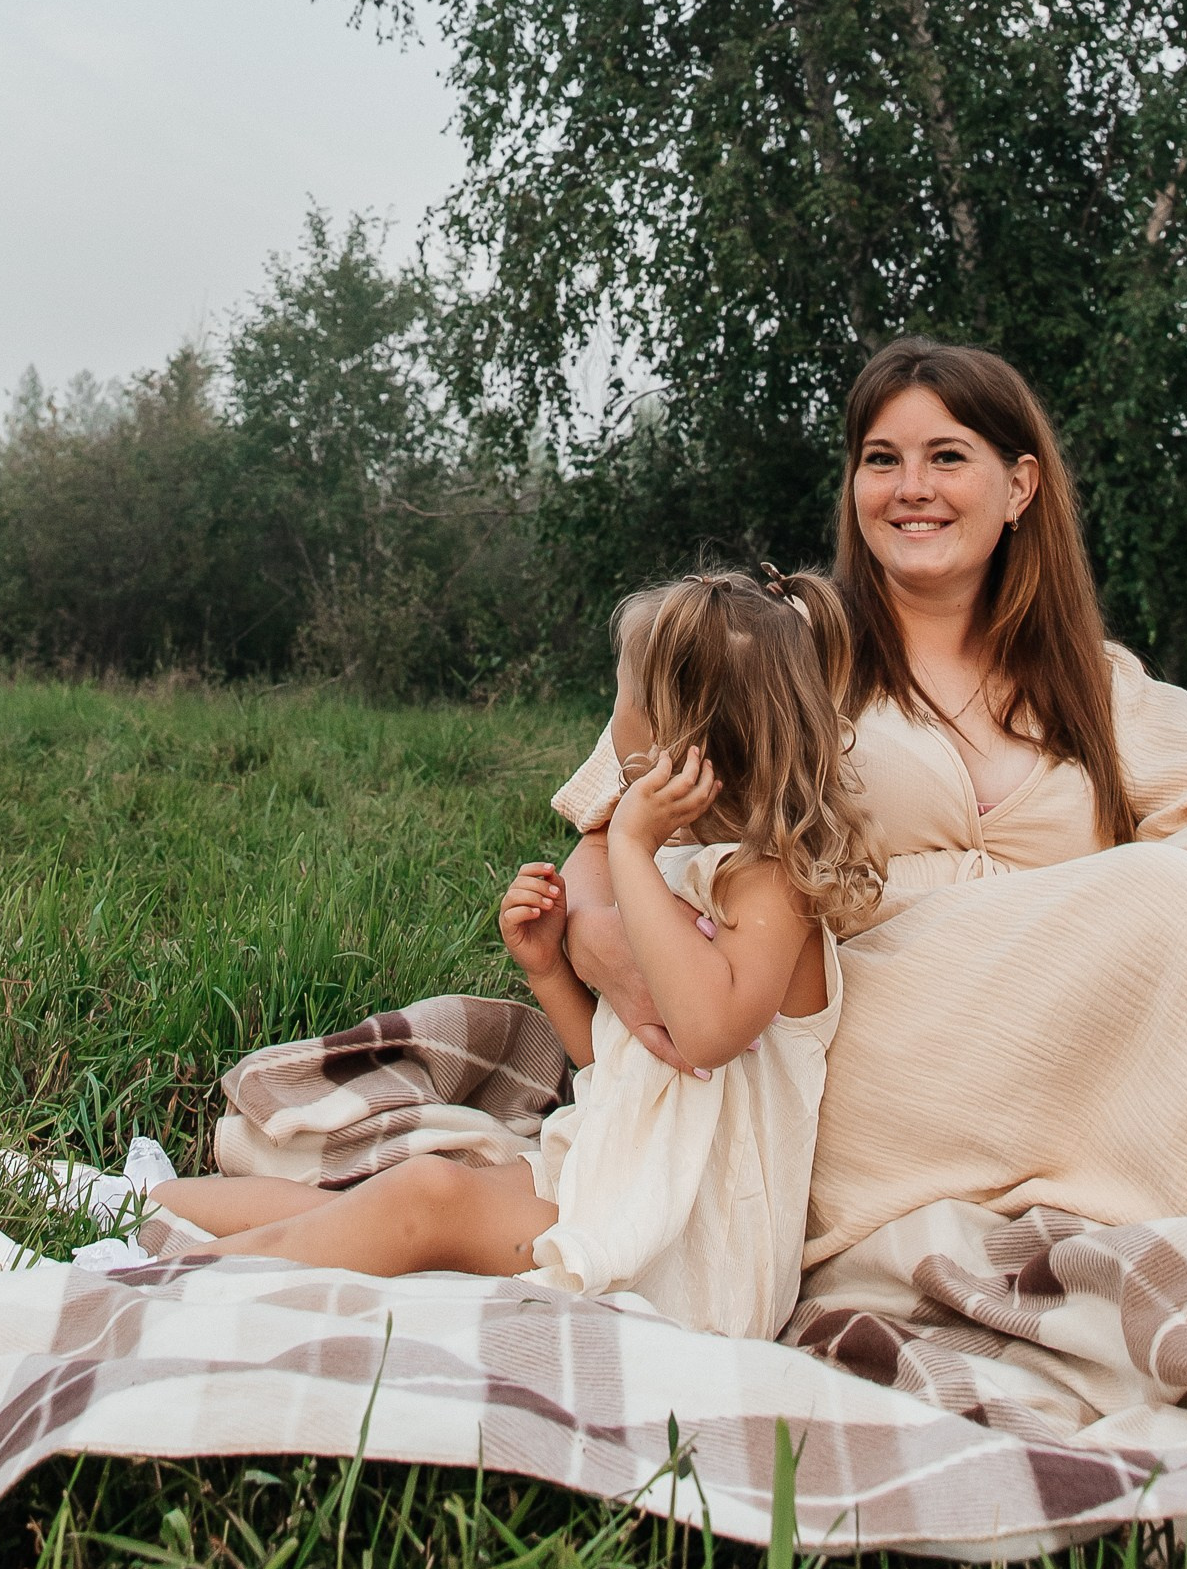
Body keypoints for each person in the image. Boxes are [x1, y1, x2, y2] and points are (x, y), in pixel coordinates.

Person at [560, 339, 1187, 1269]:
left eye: (947, 456)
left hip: (1061, 1038)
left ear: (1020, 486)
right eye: (880, 459)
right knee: (1166, 895)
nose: (910, 487)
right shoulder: (781, 641)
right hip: (861, 1041)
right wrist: (599, 934)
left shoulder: (1087, 681)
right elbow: (609, 820)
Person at [129, 573, 881, 1338]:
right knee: (384, 1201)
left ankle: (152, 1289)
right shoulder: (674, 867)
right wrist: (547, 970)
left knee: (428, 1198)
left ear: (671, 733)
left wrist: (627, 845)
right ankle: (135, 1206)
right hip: (613, 1180)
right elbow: (627, 1072)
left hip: (688, 1256)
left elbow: (707, 1036)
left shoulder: (772, 884)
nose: (611, 716)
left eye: (621, 695)